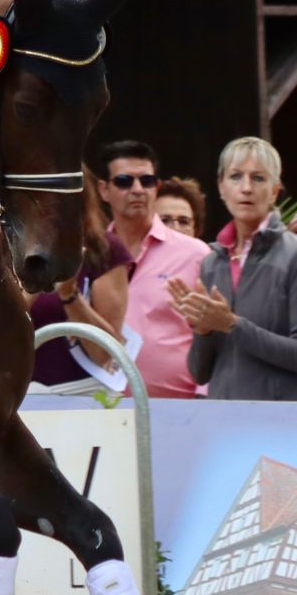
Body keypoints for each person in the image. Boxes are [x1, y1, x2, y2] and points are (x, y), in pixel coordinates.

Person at [172, 136, 297, 401]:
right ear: (221, 187)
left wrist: (232, 324)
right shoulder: (212, 262)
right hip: (226, 422)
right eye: (235, 177)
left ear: (275, 191)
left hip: (282, 425)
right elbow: (199, 373)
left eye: (258, 178)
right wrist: (205, 330)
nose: (246, 188)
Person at [100, 139, 206, 400]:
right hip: (102, 407)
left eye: (146, 181)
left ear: (156, 188)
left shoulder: (196, 253)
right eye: (124, 181)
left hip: (181, 409)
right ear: (104, 190)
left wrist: (206, 396)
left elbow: (216, 333)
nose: (137, 189)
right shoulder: (90, 254)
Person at [29, 169, 132, 392]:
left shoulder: (104, 249)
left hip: (84, 394)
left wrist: (70, 295)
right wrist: (38, 276)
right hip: (21, 394)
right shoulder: (12, 246)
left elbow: (106, 355)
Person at [152, 177, 206, 242]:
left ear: (195, 229)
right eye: (164, 220)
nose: (176, 228)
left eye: (183, 222)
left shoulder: (207, 251)